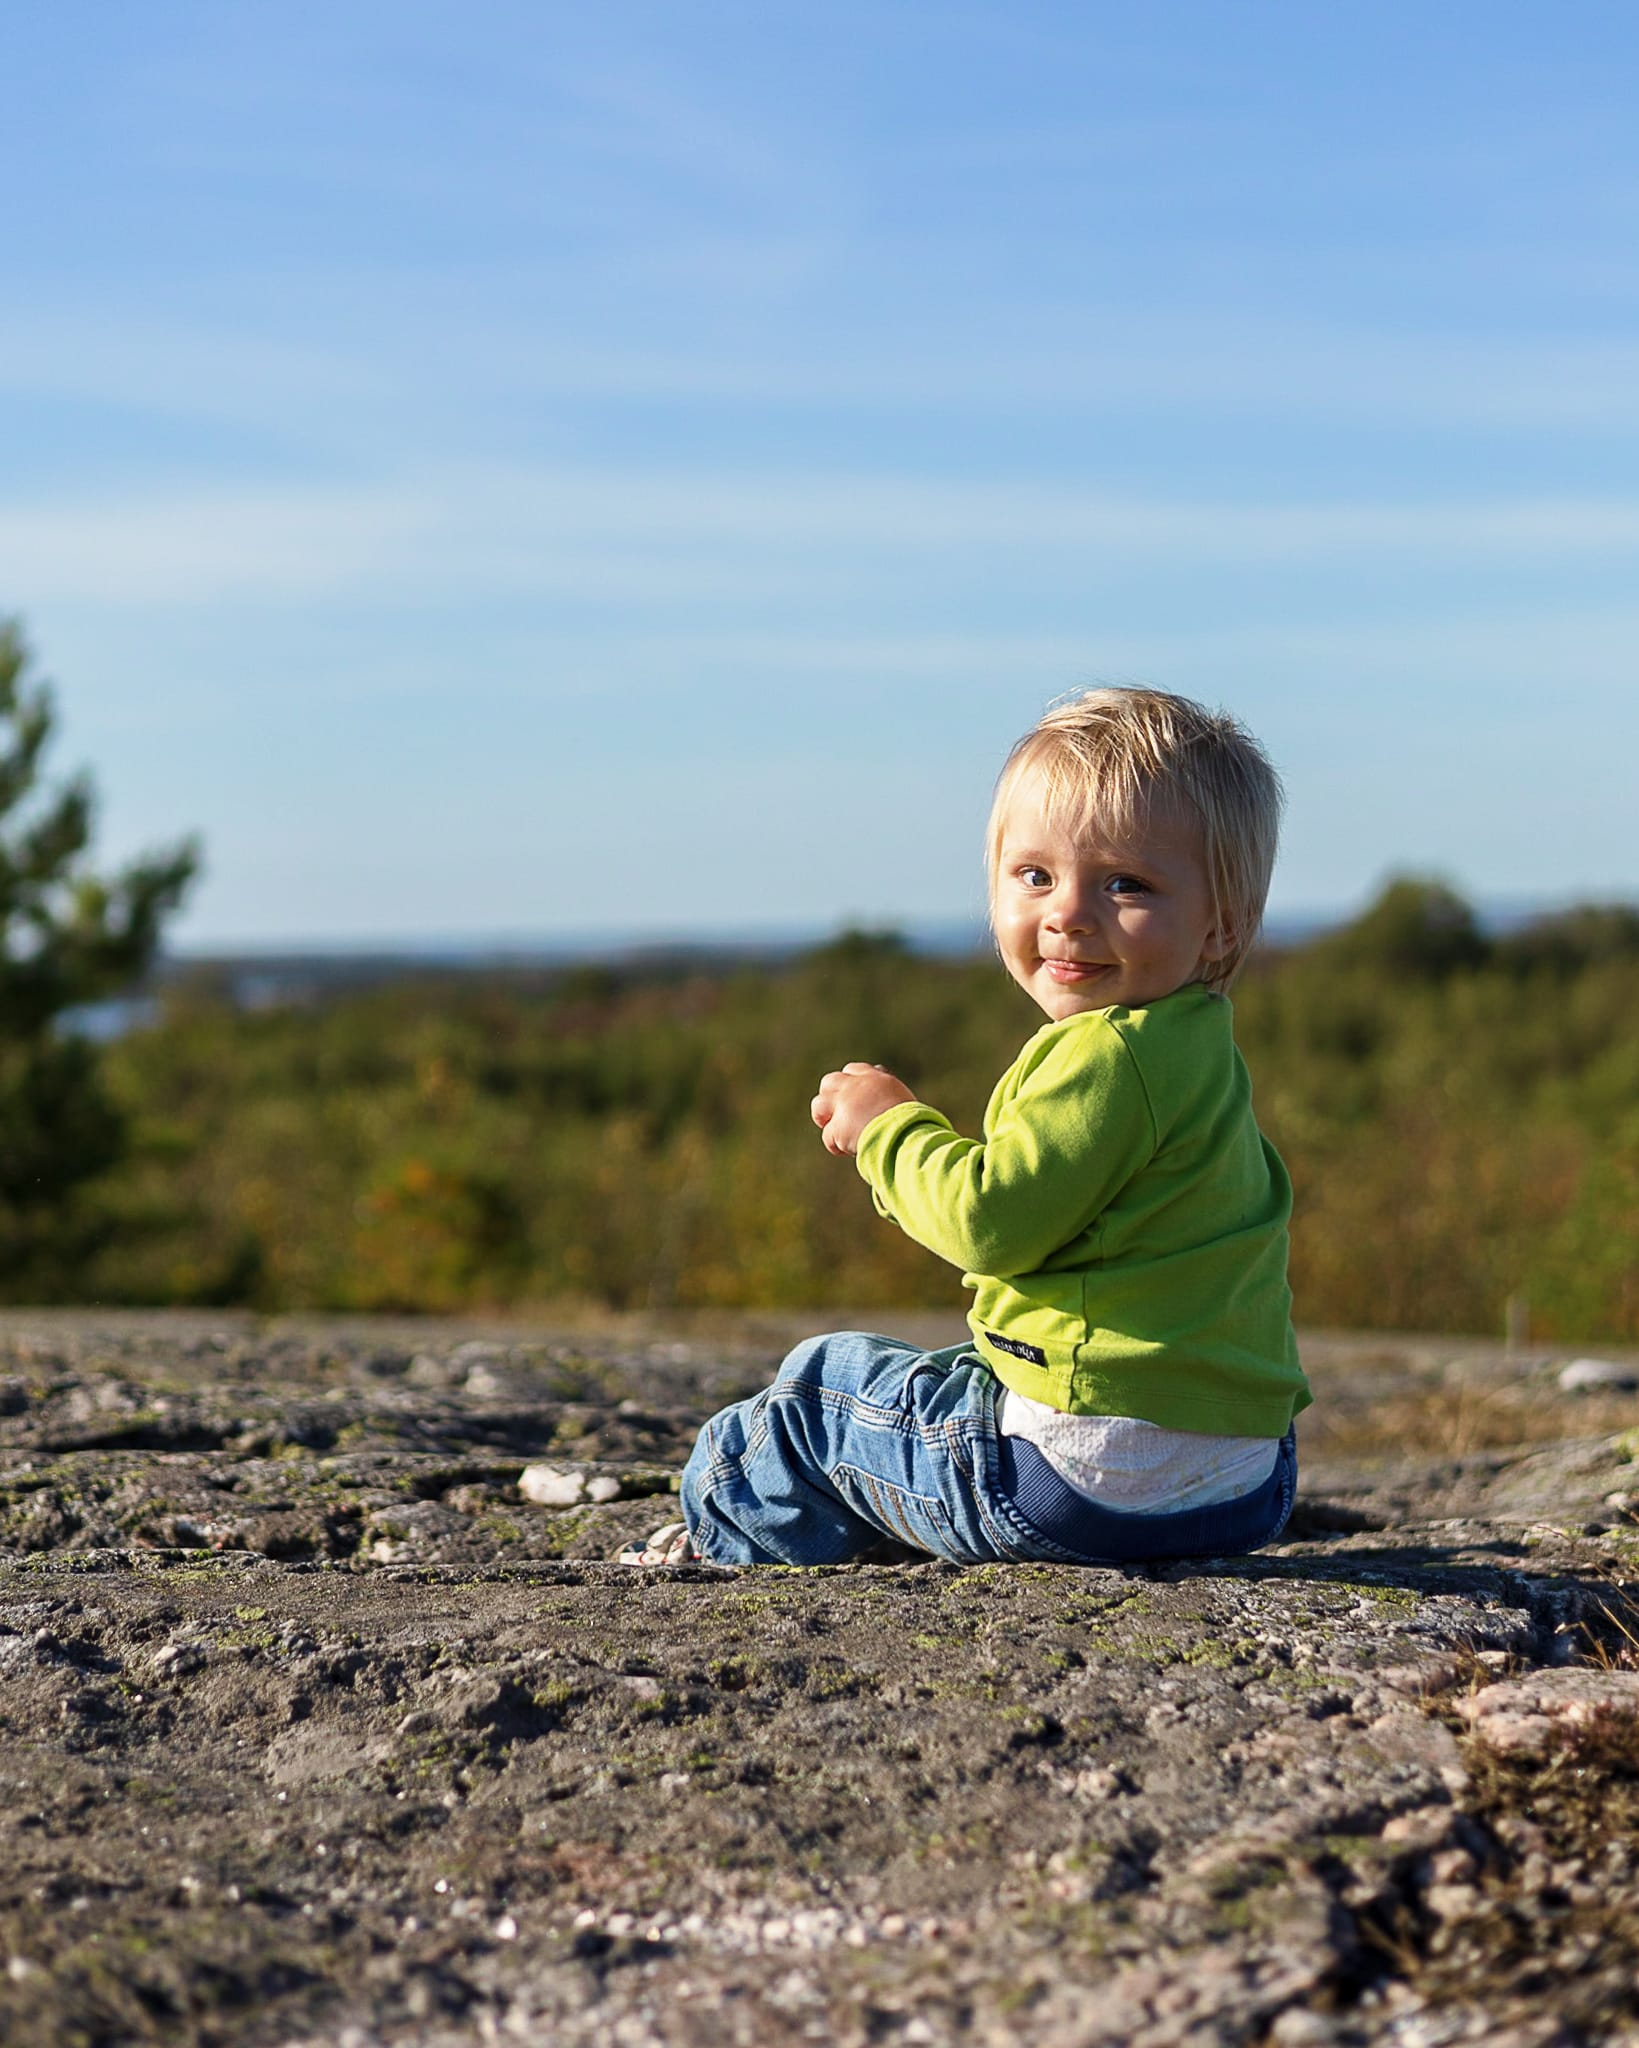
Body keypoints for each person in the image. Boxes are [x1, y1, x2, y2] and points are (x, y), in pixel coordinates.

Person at [620, 686, 1310, 1568]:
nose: (1067, 913)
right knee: (955, 1373)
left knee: (815, 1396)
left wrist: (890, 1129)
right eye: (1035, 876)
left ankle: (719, 1553)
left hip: (1080, 1490)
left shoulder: (1106, 1054)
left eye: (1125, 884)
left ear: (1221, 926)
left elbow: (990, 1222)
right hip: (1242, 1487)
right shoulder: (1198, 1049)